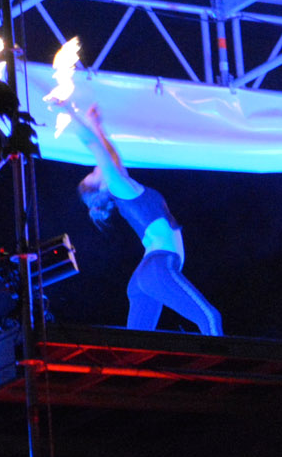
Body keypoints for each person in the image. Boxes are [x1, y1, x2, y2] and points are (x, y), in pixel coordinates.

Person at [75, 101, 223, 334]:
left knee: (138, 343)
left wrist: (97, 125)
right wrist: (67, 110)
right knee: (210, 317)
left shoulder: (125, 188)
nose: (97, 168)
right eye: (94, 173)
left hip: (146, 274)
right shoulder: (118, 187)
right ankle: (222, 359)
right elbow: (99, 151)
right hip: (157, 265)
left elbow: (112, 157)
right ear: (102, 186)